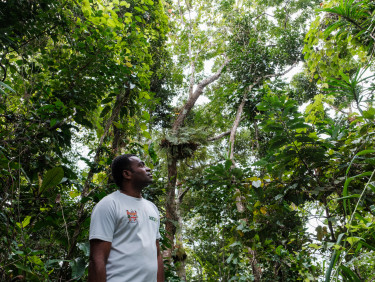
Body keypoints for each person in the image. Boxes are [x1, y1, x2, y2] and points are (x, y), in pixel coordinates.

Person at [88, 154, 164, 282]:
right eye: (141, 165)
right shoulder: (109, 204)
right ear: (127, 174)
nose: (148, 169)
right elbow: (97, 259)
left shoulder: (152, 208)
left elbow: (157, 255)